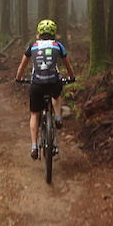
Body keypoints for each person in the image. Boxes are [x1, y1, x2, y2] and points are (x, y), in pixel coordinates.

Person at [15, 19, 76, 160]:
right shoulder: (58, 46)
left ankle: (34, 146)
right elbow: (68, 66)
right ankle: (58, 117)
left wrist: (19, 78)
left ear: (39, 33)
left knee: (34, 114)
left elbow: (21, 67)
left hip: (37, 84)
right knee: (56, 95)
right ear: (54, 33)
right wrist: (72, 77)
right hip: (54, 82)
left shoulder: (32, 46)